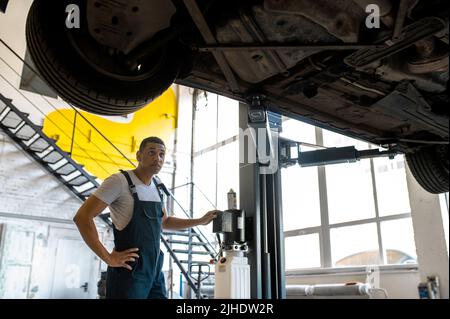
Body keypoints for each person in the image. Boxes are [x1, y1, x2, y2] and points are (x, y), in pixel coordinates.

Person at [73, 136, 219, 299]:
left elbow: (165, 222)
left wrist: (199, 220)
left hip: (155, 269)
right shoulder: (119, 182)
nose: (158, 158)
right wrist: (108, 258)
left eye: (162, 154)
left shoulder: (157, 186)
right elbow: (82, 217)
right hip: (130, 272)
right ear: (139, 156)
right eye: (152, 152)